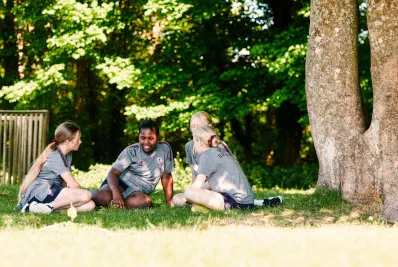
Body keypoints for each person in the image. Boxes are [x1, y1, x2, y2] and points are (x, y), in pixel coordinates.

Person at [172, 111, 283, 207]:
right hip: (215, 189)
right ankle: (253, 202)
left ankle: (252, 203)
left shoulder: (215, 149)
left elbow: (227, 173)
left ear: (209, 127)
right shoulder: (191, 146)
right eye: (193, 126)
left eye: (198, 125)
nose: (195, 129)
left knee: (188, 193)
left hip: (223, 191)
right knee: (178, 198)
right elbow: (194, 175)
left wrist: (192, 193)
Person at [92, 119, 174, 209]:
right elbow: (112, 173)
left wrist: (169, 202)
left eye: (151, 138)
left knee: (145, 202)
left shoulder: (165, 149)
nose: (146, 142)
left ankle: (114, 205)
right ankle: (84, 196)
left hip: (138, 191)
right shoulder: (131, 151)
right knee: (104, 197)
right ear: (139, 136)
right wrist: (116, 194)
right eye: (143, 138)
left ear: (158, 137)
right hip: (120, 183)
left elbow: (166, 177)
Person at [18, 121, 95, 214]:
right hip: (42, 193)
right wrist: (79, 195)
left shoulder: (67, 154)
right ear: (68, 142)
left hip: (53, 190)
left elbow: (64, 183)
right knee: (86, 195)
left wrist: (72, 197)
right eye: (78, 139)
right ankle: (48, 206)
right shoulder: (55, 156)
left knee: (90, 205)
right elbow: (74, 186)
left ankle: (37, 209)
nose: (80, 141)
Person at [183, 125, 254, 210]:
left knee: (189, 192)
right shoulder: (220, 150)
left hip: (235, 202)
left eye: (194, 142)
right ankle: (203, 206)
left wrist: (187, 196)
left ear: (200, 141)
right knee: (192, 193)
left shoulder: (206, 156)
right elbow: (209, 183)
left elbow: (197, 185)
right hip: (247, 202)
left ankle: (203, 207)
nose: (193, 145)